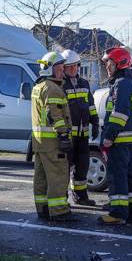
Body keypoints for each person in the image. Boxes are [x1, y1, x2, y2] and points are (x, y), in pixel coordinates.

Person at [98, 47, 132, 225]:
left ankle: (117, 213)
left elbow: (119, 113)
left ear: (120, 63)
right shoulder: (128, 83)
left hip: (119, 139)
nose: (107, 66)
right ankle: (130, 210)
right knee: (128, 177)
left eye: (110, 62)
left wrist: (108, 136)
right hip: (127, 140)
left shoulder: (121, 84)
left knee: (117, 177)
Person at [31, 51, 74, 221]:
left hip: (40, 143)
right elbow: (54, 115)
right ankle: (59, 211)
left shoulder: (38, 87)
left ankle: (43, 209)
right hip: (53, 143)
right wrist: (64, 136)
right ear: (50, 69)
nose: (63, 71)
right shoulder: (52, 89)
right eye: (60, 68)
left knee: (41, 178)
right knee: (58, 176)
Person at [60, 49, 99, 206]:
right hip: (68, 135)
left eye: (75, 66)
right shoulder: (60, 85)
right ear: (63, 67)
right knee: (64, 168)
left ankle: (81, 196)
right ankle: (62, 199)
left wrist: (95, 122)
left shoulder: (84, 83)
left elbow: (90, 105)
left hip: (83, 135)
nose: (73, 69)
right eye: (69, 66)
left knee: (82, 166)